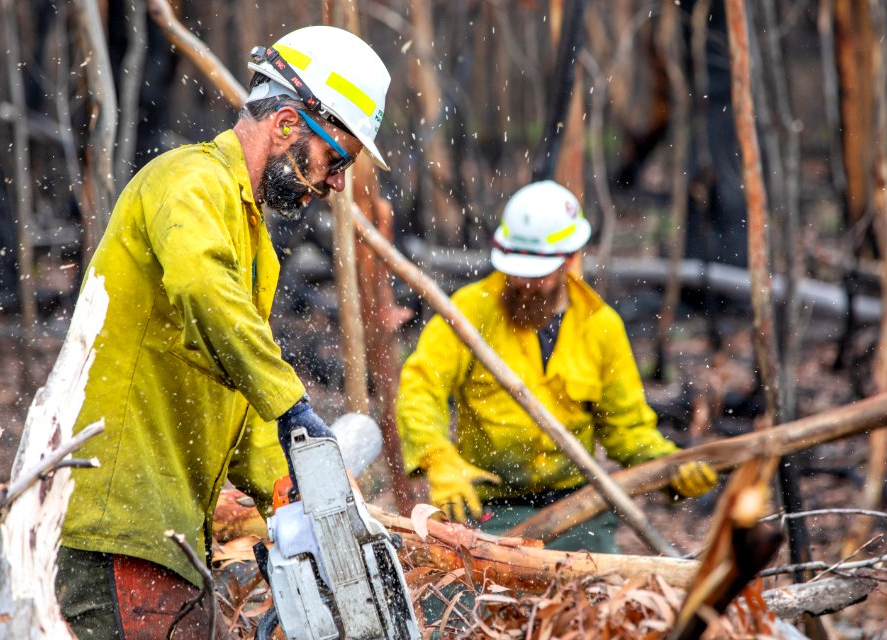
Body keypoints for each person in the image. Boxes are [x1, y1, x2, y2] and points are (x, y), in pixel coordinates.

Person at [54, 25, 391, 639]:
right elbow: (203, 288)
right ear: (288, 125)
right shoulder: (188, 181)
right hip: (119, 518)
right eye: (336, 159)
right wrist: (293, 403)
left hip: (171, 534)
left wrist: (291, 488)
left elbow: (237, 397)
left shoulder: (255, 242)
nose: (338, 182)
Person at [397, 181, 717, 554]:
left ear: (570, 258)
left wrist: (670, 469)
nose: (525, 284)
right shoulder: (468, 312)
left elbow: (627, 430)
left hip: (578, 509)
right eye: (517, 271)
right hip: (487, 507)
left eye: (538, 274)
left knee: (593, 603)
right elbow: (420, 387)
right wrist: (438, 459)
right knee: (460, 602)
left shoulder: (601, 327)